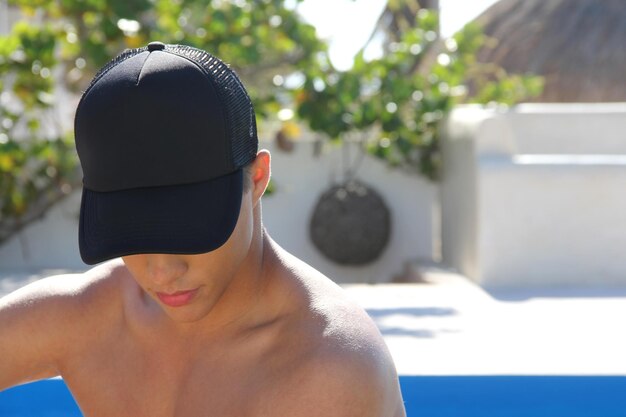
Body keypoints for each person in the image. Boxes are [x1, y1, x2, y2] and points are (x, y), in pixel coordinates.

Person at [0, 42, 406, 416]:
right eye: (134, 232)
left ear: (258, 178)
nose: (161, 272)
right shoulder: (88, 317)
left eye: (186, 230)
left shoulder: (326, 369)